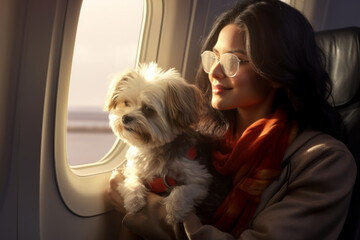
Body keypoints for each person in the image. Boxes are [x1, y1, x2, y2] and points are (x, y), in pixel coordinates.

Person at [108, 0, 357, 239]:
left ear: (276, 73)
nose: (214, 72)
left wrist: (146, 212)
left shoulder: (324, 162)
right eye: (214, 57)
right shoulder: (200, 135)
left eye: (233, 61)